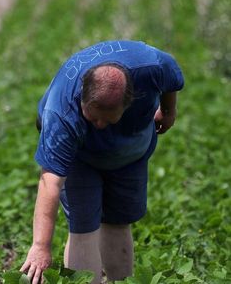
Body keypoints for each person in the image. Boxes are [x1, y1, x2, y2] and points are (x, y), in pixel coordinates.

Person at [19, 40, 184, 284]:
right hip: (80, 158)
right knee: (83, 227)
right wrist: (40, 246)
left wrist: (168, 111)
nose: (99, 125)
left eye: (108, 120)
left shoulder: (153, 66)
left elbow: (172, 79)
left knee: (118, 222)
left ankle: (120, 281)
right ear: (83, 99)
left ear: (130, 102)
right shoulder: (61, 115)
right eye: (93, 117)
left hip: (130, 154)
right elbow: (49, 184)